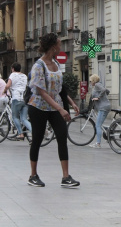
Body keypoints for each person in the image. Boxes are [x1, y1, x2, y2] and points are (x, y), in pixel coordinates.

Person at [27, 33, 80, 188]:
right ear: (52, 47)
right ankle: (33, 175)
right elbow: (41, 92)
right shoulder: (39, 65)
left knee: (62, 137)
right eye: (59, 44)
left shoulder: (56, 63)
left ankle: (66, 177)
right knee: (37, 139)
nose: (60, 47)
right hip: (38, 107)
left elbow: (60, 88)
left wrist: (71, 103)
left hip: (54, 106)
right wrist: (61, 109)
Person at [2, 62, 32, 140]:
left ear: (13, 69)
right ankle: (34, 132)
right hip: (25, 99)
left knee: (15, 117)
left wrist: (4, 91)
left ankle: (20, 133)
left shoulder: (13, 75)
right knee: (24, 119)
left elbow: (8, 85)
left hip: (16, 98)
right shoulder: (24, 76)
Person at [88, 74, 111, 148]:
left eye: (90, 81)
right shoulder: (99, 85)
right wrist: (103, 97)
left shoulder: (97, 85)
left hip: (103, 107)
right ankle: (108, 130)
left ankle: (98, 143)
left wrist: (98, 97)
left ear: (93, 81)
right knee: (100, 124)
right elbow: (107, 91)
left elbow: (104, 90)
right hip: (105, 106)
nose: (90, 82)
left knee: (97, 125)